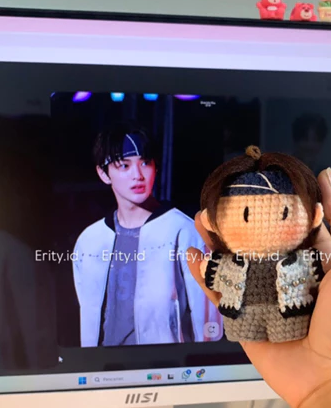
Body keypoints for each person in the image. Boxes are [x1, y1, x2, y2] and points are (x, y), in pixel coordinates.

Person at [187, 167, 331, 408]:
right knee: (246, 328)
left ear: (314, 217)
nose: (265, 227)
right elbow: (216, 271)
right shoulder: (233, 262)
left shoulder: (302, 260)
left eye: (283, 214)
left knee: (285, 328)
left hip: (289, 314)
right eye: (246, 214)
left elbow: (315, 272)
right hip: (244, 314)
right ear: (212, 222)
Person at [72, 121, 222, 347]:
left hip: (166, 363)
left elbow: (208, 317)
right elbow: (88, 315)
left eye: (145, 163)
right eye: (124, 165)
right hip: (105, 363)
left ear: (156, 167)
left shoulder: (184, 231)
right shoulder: (90, 240)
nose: (138, 175)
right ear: (104, 173)